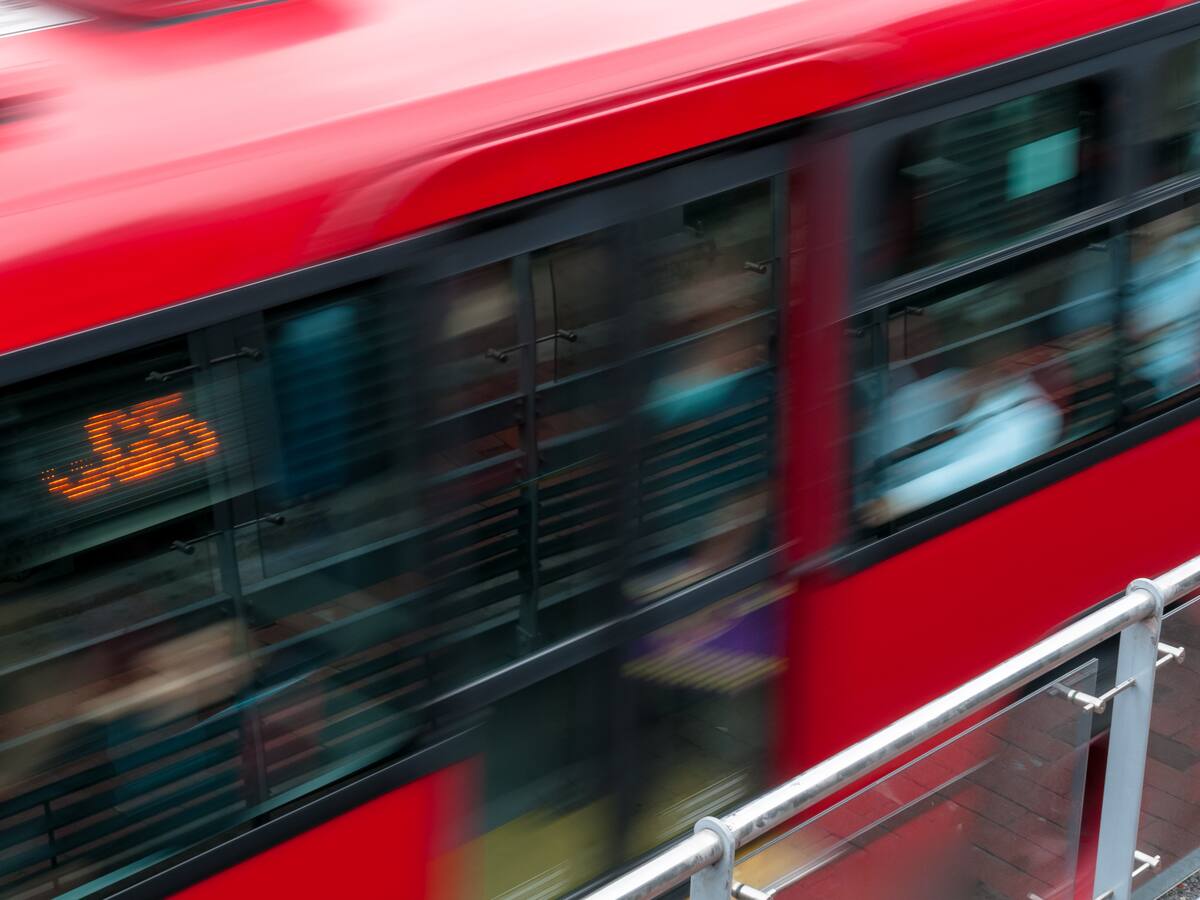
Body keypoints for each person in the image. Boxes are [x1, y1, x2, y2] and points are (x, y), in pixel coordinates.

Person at [861, 321, 1062, 527]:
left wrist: (887, 504)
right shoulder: (944, 385)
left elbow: (955, 479)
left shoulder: (1032, 418)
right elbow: (879, 435)